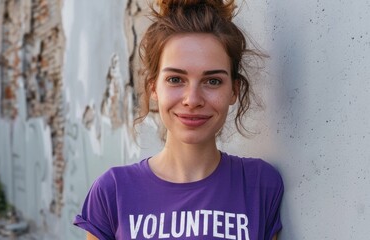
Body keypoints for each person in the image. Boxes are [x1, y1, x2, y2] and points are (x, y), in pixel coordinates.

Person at [74, 0, 284, 239]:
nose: (192, 99)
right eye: (175, 79)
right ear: (154, 87)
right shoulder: (113, 192)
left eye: (212, 81)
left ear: (234, 91)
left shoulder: (260, 185)